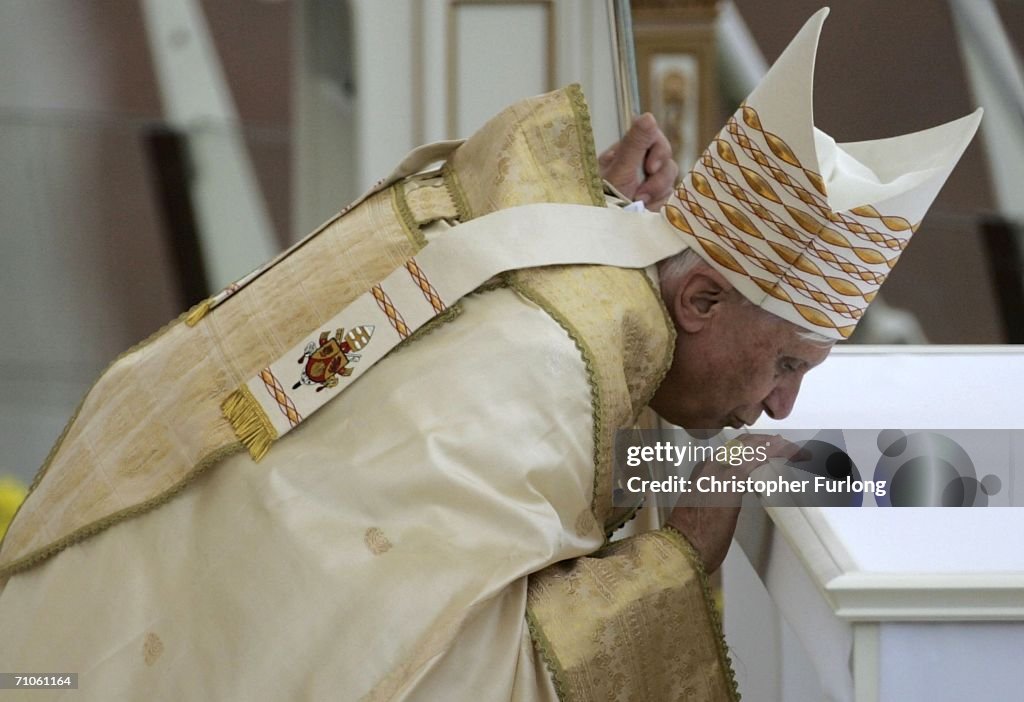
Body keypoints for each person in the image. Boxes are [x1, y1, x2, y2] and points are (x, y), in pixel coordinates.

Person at [0, 9, 979, 701]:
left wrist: (583, 195)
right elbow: (451, 675)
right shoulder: (540, 384)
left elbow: (477, 190)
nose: (778, 409)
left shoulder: (579, 243)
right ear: (701, 296)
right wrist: (678, 555)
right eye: (784, 365)